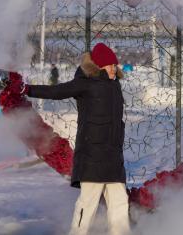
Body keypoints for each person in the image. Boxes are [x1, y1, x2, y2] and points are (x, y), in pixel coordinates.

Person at [26, 43, 130, 235]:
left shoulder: (115, 86)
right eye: (109, 66)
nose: (113, 69)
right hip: (92, 155)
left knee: (120, 201)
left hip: (113, 155)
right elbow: (56, 92)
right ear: (98, 66)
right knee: (88, 202)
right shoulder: (85, 83)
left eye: (115, 66)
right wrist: (27, 89)